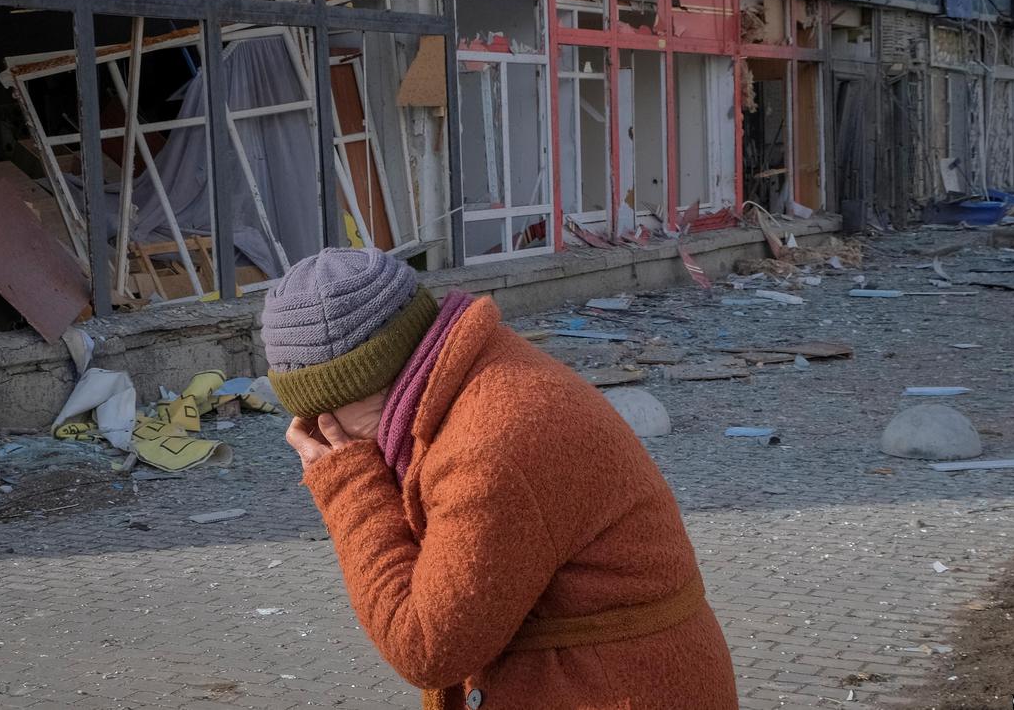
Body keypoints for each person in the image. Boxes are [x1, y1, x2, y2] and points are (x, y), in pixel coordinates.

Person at [262, 247, 738, 710]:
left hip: (613, 688)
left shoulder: (485, 447)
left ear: (369, 379)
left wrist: (349, 485)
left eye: (324, 416)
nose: (325, 433)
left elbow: (426, 648)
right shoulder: (475, 374)